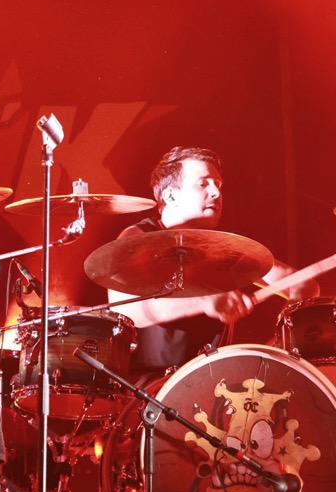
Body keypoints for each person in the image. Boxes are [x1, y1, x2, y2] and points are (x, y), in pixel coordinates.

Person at [108, 146, 317, 380]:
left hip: (213, 385)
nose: (216, 193)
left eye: (218, 185)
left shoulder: (221, 248)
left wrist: (280, 342)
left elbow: (304, 285)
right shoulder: (138, 237)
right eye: (203, 184)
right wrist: (204, 300)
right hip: (148, 386)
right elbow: (125, 310)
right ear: (170, 195)